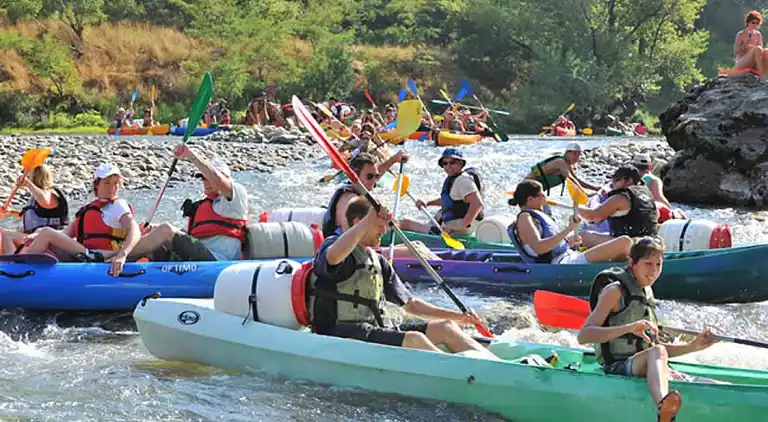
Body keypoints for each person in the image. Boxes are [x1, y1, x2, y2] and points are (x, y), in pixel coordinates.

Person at [310, 196, 497, 358]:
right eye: (378, 226)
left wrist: (458, 317)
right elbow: (333, 258)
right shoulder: (333, 246)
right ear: (360, 222)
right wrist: (368, 219)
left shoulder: (377, 260)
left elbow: (411, 305)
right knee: (415, 339)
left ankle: (494, 365)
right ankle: (464, 374)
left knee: (446, 327)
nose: (384, 232)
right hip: (341, 332)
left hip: (371, 329)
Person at [578, 236, 720, 422]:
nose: (654, 271)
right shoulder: (615, 291)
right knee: (658, 351)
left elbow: (657, 354)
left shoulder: (646, 292)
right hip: (617, 367)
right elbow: (584, 335)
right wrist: (630, 327)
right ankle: (663, 408)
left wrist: (694, 346)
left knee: (716, 386)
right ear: (632, 263)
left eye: (658, 264)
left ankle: (667, 403)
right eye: (648, 264)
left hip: (643, 365)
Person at [129, 147, 249, 262]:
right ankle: (122, 268)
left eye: (209, 177)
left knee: (166, 229)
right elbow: (185, 234)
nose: (206, 182)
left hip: (218, 260)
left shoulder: (236, 195)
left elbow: (218, 180)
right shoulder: (201, 206)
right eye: (203, 178)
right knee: (155, 239)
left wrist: (191, 156)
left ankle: (118, 257)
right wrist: (154, 228)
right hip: (197, 254)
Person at [20, 164, 140, 276]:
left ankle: (19, 272)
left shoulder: (118, 205)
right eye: (107, 183)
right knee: (43, 234)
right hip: (84, 253)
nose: (112, 188)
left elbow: (134, 228)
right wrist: (37, 235)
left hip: (99, 255)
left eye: (116, 183)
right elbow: (65, 234)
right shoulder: (88, 208)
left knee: (46, 232)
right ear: (97, 184)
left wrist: (122, 255)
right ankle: (24, 269)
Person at [507, 180, 631, 265]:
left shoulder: (536, 215)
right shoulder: (525, 218)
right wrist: (569, 228)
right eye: (542, 196)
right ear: (530, 199)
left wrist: (569, 241)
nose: (545, 199)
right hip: (560, 263)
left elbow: (552, 244)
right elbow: (539, 248)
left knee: (623, 253)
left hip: (567, 256)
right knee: (624, 242)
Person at [320, 152, 406, 237]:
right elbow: (349, 238)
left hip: (362, 236)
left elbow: (375, 172)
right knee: (415, 243)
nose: (374, 181)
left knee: (406, 222)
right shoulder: (349, 200)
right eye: (370, 177)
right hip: (340, 244)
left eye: (376, 176)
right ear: (355, 176)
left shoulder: (358, 186)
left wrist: (394, 159)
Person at [402, 148, 484, 236]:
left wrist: (462, 226)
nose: (448, 166)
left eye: (452, 162)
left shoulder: (463, 181)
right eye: (445, 163)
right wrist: (428, 203)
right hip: (458, 226)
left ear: (461, 164)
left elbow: (477, 204)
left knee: (405, 223)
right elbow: (450, 200)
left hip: (456, 229)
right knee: (437, 216)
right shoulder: (455, 180)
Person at [577, 166, 659, 247]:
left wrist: (576, 207)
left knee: (582, 236)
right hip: (650, 242)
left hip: (630, 245)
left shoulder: (621, 197)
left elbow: (592, 216)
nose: (613, 183)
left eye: (616, 180)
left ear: (629, 180)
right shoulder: (647, 194)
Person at [525, 142, 600, 201]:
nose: (576, 157)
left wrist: (595, 188)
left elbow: (576, 180)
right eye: (574, 154)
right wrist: (584, 193)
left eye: (578, 155)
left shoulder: (568, 165)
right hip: (528, 186)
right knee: (545, 209)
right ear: (567, 153)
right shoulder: (561, 162)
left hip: (536, 190)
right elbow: (571, 179)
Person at [630, 154, 687, 220]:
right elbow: (659, 198)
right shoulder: (653, 179)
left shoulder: (625, 180)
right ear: (650, 167)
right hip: (648, 213)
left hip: (631, 212)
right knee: (679, 211)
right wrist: (671, 211)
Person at [735, 10, 768, 81]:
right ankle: (761, 75)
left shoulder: (758, 34)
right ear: (747, 23)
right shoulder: (741, 34)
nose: (755, 25)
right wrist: (746, 44)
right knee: (758, 49)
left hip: (755, 61)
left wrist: (754, 49)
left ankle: (765, 75)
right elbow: (736, 51)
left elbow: (761, 50)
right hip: (742, 61)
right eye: (753, 23)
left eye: (757, 23)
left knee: (766, 51)